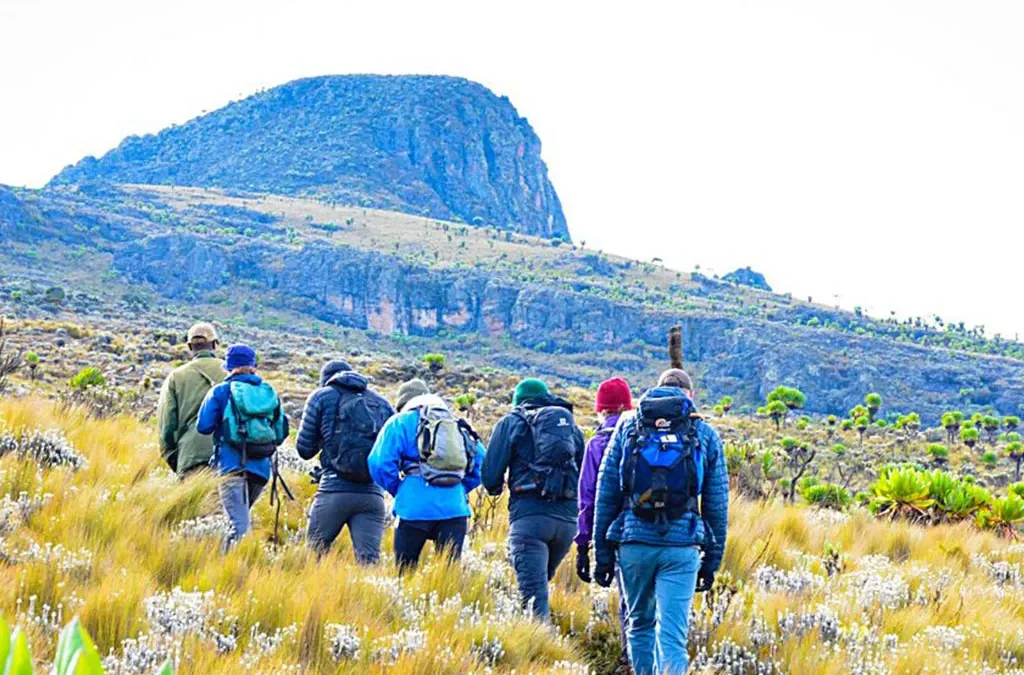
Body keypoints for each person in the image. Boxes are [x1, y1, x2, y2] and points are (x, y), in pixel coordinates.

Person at [592, 368, 729, 675]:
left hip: (633, 544)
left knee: (639, 624)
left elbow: (607, 492)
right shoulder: (704, 434)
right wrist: (712, 562)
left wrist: (601, 553)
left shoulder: (629, 426)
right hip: (682, 548)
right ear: (689, 396)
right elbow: (717, 506)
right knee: (672, 637)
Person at [482, 378, 585, 621]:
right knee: (539, 585)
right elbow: (582, 475)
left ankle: (541, 652)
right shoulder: (571, 428)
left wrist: (496, 488)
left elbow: (489, 475)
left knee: (534, 603)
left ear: (518, 401)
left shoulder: (511, 423)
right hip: (567, 522)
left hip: (529, 519)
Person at [367, 379, 485, 572]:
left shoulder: (400, 422)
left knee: (405, 573)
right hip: (454, 507)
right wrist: (460, 487)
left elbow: (379, 463)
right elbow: (482, 462)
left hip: (413, 506)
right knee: (449, 575)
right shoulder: (456, 424)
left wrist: (400, 488)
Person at [296, 360, 394, 563]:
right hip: (372, 494)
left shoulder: (321, 397)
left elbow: (304, 450)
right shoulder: (381, 402)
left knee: (313, 556)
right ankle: (369, 595)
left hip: (334, 490)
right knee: (368, 563)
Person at [197, 344, 288, 549]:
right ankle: (232, 563)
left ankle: (230, 569)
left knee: (238, 525)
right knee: (241, 519)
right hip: (261, 470)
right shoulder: (268, 392)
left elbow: (203, 426)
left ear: (229, 366)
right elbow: (281, 433)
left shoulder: (221, 391)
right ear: (253, 365)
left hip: (232, 468)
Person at [575, 377, 632, 656]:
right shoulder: (639, 438)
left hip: (616, 534)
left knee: (630, 600)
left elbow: (587, 499)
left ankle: (629, 657)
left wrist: (583, 546)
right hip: (656, 526)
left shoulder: (597, 444)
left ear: (602, 410)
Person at [156, 322, 224, 477]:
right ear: (214, 344)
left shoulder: (176, 376)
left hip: (191, 456)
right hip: (231, 457)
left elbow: (167, 424)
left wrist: (176, 458)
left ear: (189, 346)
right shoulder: (231, 373)